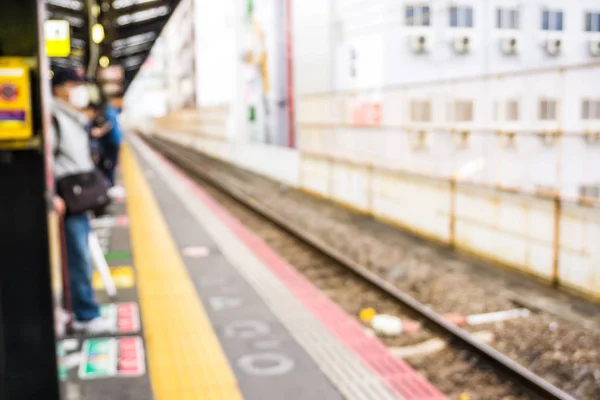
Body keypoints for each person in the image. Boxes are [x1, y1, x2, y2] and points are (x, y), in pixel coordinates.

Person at [51, 68, 111, 334]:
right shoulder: (54, 117)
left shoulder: (72, 117)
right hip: (68, 197)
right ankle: (84, 314)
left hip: (80, 196)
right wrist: (52, 194)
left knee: (81, 253)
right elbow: (47, 161)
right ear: (61, 88)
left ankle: (81, 309)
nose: (79, 89)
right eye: (75, 84)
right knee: (77, 256)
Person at [101, 95, 124, 186]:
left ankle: (111, 182)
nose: (122, 103)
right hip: (111, 142)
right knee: (110, 164)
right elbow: (111, 127)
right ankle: (110, 183)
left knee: (113, 164)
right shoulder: (109, 112)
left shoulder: (113, 111)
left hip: (114, 142)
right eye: (120, 101)